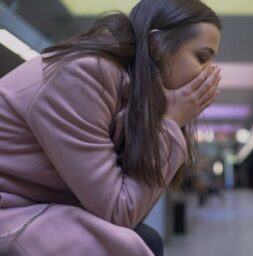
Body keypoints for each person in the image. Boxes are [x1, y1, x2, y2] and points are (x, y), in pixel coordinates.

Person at [0, 0, 221, 255]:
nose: (210, 72)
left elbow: (134, 208)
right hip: (11, 210)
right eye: (202, 57)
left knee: (145, 238)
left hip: (34, 206)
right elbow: (119, 212)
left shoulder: (135, 95)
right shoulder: (85, 76)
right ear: (157, 45)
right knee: (132, 245)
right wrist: (170, 123)